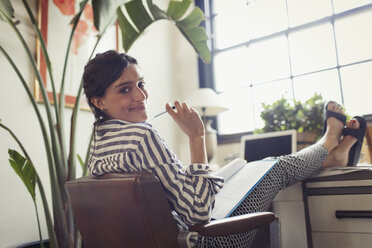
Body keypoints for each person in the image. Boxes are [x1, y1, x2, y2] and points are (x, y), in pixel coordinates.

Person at [82, 50, 366, 247]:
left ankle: (330, 155)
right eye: (124, 89)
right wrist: (196, 137)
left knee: (245, 169)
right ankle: (329, 142)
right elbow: (197, 214)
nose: (141, 96)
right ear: (99, 101)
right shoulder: (142, 136)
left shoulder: (99, 142)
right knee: (273, 167)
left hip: (170, 234)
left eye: (141, 84)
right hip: (209, 241)